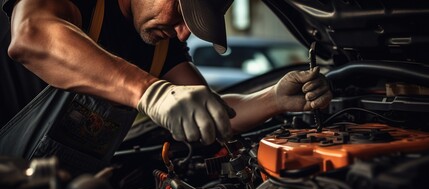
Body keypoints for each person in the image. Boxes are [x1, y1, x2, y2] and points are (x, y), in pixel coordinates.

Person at [1, 0, 332, 146]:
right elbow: (31, 36)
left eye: (191, 24)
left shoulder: (159, 45)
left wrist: (274, 99)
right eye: (181, 12)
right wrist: (150, 92)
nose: (183, 33)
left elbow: (213, 114)